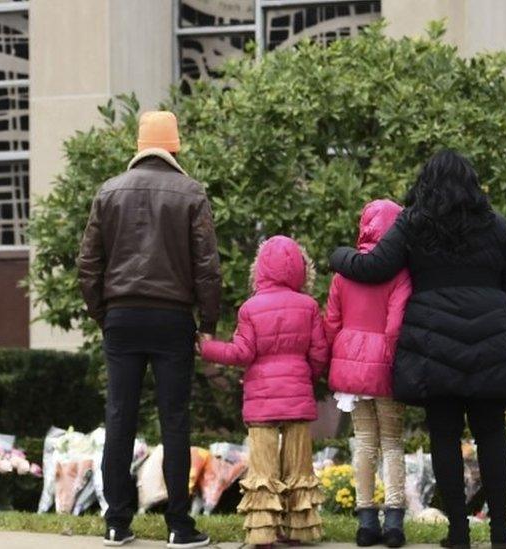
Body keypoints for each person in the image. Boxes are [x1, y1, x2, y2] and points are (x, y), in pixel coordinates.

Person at [329, 150, 506, 549]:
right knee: (491, 435)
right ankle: (501, 532)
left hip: (435, 345)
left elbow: (374, 268)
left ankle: (458, 532)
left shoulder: (414, 223)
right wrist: (502, 327)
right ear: (472, 185)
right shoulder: (495, 226)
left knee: (444, 435)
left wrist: (339, 256)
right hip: (490, 341)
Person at [78, 111, 221, 548]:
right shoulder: (191, 193)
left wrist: (103, 314)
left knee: (119, 416)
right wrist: (207, 324)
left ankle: (117, 523)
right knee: (174, 420)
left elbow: (88, 265)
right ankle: (179, 526)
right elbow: (207, 268)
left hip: (121, 316)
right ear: (174, 146)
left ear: (139, 147)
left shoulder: (109, 192)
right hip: (173, 318)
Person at [199, 235, 329, 548]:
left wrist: (208, 348)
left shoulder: (250, 308)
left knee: (263, 468)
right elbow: (319, 353)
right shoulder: (309, 306)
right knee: (298, 467)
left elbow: (242, 353)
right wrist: (305, 376)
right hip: (297, 398)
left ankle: (263, 533)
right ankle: (297, 529)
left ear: (259, 270)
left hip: (261, 403)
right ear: (301, 269)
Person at [325, 199, 412, 548]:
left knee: (363, 442)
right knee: (391, 442)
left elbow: (331, 322)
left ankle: (365, 523)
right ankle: (393, 522)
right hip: (386, 368)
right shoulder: (402, 273)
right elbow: (395, 326)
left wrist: (335, 358)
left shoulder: (342, 274)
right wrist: (391, 361)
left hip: (349, 367)